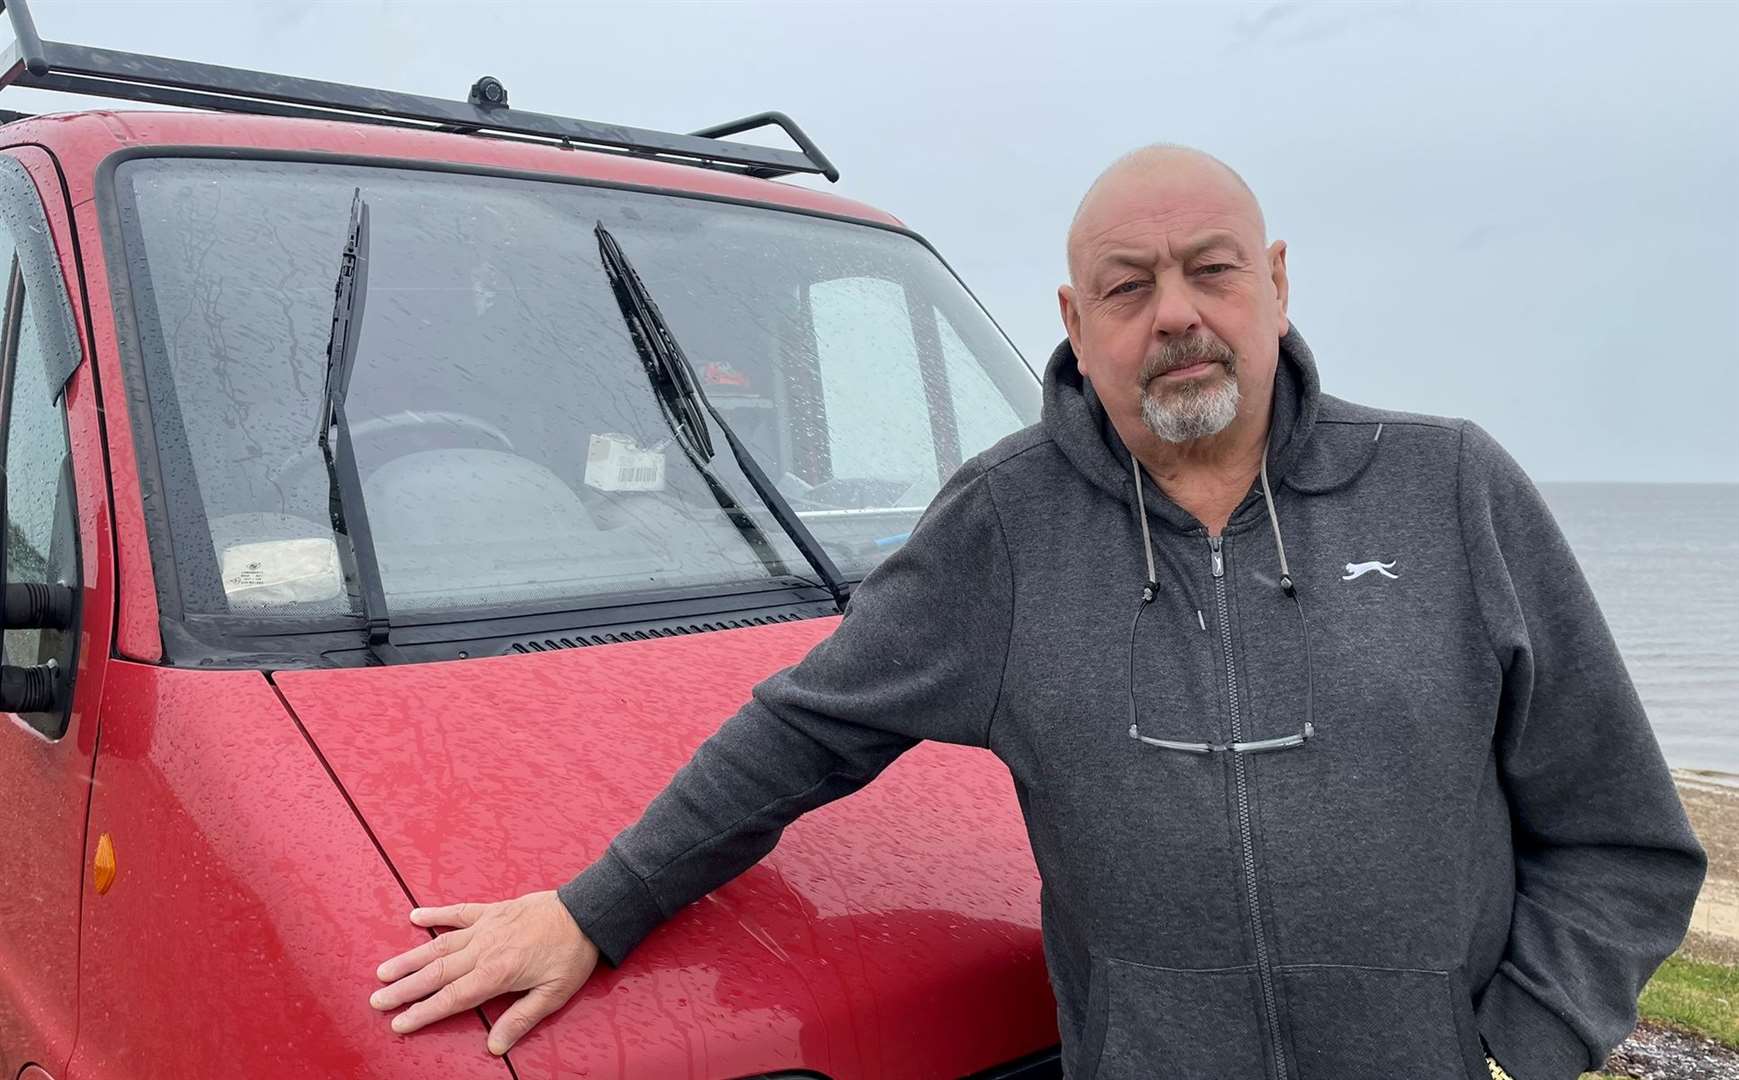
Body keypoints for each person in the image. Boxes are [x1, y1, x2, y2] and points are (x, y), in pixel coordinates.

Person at [369, 145, 1706, 1079]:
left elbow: (1621, 838)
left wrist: (1518, 1047)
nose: (1175, 315)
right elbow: (803, 731)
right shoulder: (1005, 527)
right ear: (1075, 316)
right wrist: (594, 909)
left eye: (1211, 271)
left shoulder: (1450, 487)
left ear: (1278, 282)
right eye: (1129, 286)